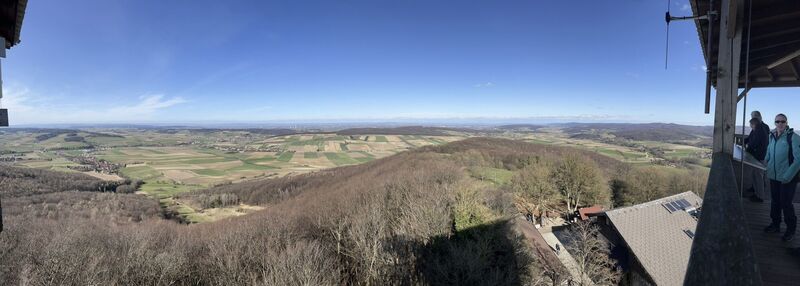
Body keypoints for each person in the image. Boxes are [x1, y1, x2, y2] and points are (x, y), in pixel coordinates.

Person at [765, 113, 799, 242]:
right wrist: (766, 160)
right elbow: (769, 149)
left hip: (787, 178)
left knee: (786, 203)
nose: (780, 124)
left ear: (786, 123)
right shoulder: (772, 135)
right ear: (774, 123)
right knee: (775, 201)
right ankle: (775, 224)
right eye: (777, 121)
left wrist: (787, 176)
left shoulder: (793, 138)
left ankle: (790, 230)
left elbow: (798, 160)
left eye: (782, 121)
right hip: (774, 175)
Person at [745, 111, 770, 202]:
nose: (753, 118)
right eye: (752, 116)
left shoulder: (762, 127)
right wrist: (745, 141)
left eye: (754, 116)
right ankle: (755, 189)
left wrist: (748, 148)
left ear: (759, 116)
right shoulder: (758, 126)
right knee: (755, 173)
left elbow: (758, 142)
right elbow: (751, 137)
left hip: (760, 155)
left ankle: (760, 196)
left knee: (758, 174)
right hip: (758, 154)